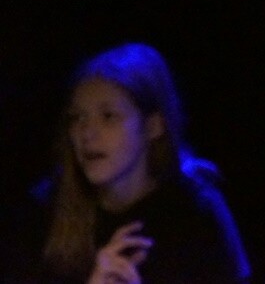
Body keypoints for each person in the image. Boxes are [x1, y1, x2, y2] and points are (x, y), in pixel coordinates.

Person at [5, 42, 252, 284]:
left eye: (108, 116)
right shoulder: (45, 209)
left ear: (153, 126)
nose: (86, 133)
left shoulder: (197, 209)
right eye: (77, 117)